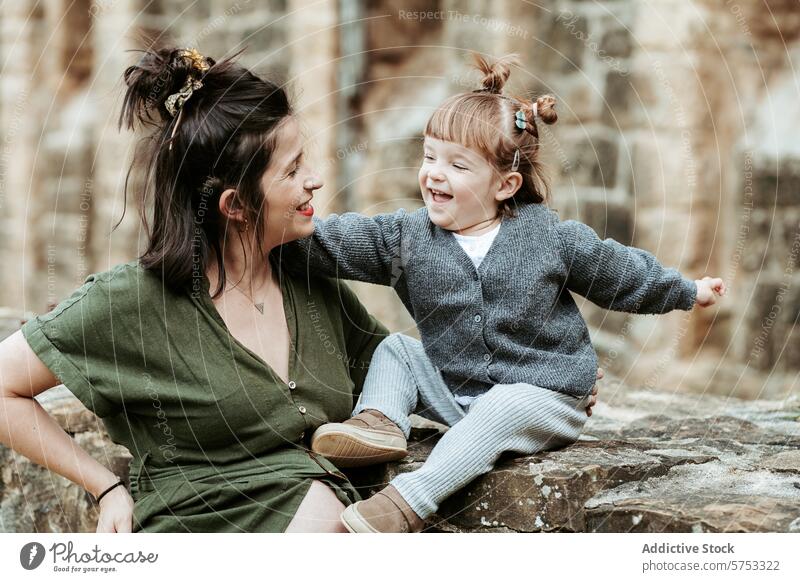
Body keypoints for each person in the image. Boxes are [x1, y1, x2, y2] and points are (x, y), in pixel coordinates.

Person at [282, 54, 727, 533]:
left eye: (457, 165)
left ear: (505, 184)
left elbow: (618, 273)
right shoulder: (408, 238)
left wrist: (686, 290)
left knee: (503, 405)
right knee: (396, 350)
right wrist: (265, 232)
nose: (434, 173)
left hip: (545, 396)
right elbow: (335, 243)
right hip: (459, 390)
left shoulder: (549, 238)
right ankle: (379, 424)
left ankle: (407, 502)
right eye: (429, 156)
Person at [0, 46, 390, 533]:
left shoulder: (313, 286)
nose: (314, 179)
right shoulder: (132, 303)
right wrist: (104, 485)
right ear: (235, 205)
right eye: (291, 170)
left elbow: (397, 367)